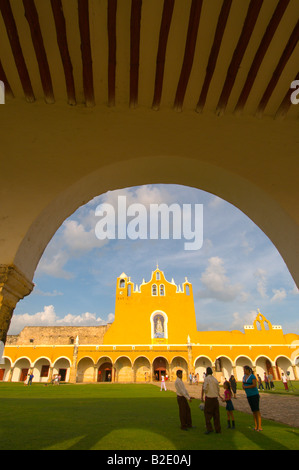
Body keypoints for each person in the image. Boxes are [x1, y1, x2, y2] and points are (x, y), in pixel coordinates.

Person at [201, 367, 221, 434]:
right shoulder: (215, 379)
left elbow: (205, 387)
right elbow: (218, 389)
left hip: (209, 398)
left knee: (207, 414)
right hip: (215, 398)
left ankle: (209, 428)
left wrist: (205, 394)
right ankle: (217, 429)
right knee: (216, 415)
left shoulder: (206, 379)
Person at [242, 366, 262, 431]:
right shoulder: (244, 377)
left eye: (245, 370)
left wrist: (246, 387)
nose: (244, 371)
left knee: (257, 410)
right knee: (253, 411)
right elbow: (243, 384)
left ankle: (260, 426)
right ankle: (256, 426)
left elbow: (254, 385)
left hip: (254, 395)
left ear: (248, 370)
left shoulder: (252, 376)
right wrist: (243, 386)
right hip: (249, 395)